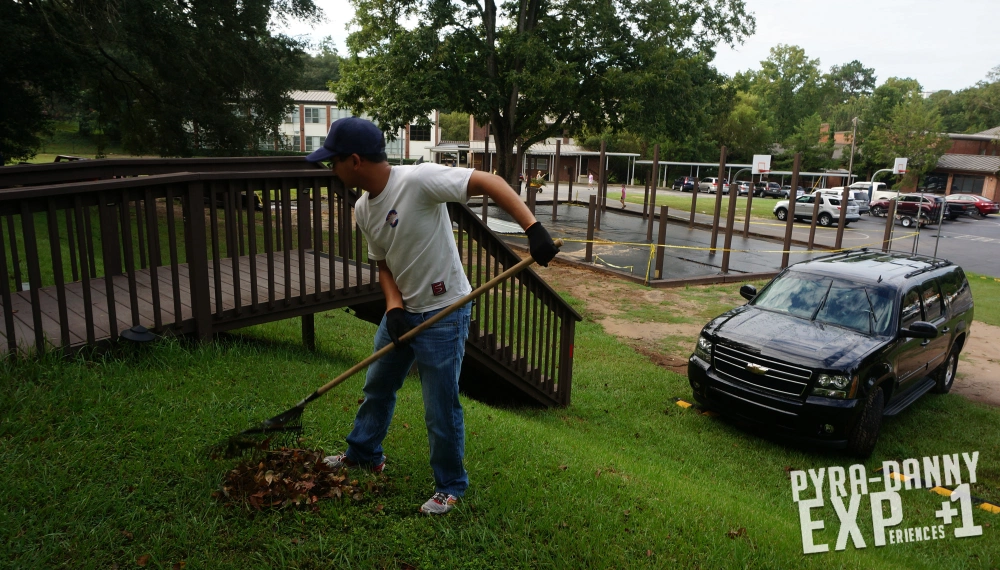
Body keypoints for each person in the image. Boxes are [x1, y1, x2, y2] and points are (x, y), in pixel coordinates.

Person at [305, 117, 558, 515]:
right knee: (378, 386)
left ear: (354, 161)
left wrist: (533, 228)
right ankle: (364, 452)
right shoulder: (361, 209)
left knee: (439, 405)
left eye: (332, 161)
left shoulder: (418, 180)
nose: (329, 169)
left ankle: (450, 485)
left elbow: (489, 181)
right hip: (402, 313)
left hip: (445, 312)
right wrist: (393, 308)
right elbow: (383, 265)